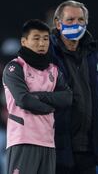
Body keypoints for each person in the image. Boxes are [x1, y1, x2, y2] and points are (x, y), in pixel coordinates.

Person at [49, 0, 98, 174]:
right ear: (57, 23)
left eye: (80, 20)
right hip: (59, 148)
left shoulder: (93, 55)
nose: (76, 24)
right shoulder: (48, 54)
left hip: (88, 149)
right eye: (70, 20)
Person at [3, 19, 72, 174]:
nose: (42, 43)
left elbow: (67, 98)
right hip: (23, 140)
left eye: (45, 39)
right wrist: (52, 106)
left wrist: (39, 97)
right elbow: (23, 100)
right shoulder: (15, 67)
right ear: (24, 41)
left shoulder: (53, 71)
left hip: (48, 142)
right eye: (36, 38)